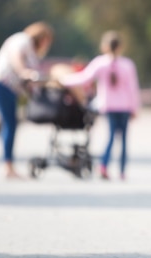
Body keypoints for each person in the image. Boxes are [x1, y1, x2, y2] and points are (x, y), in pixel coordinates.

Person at [59, 30, 140, 181]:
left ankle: (104, 166)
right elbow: (133, 89)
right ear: (120, 47)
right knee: (123, 140)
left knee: (110, 137)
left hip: (108, 106)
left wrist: (64, 80)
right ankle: (122, 172)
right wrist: (135, 108)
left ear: (105, 47)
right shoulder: (127, 65)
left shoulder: (100, 63)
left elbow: (84, 78)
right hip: (124, 107)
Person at [0, 21, 54, 180]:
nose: (46, 45)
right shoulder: (22, 40)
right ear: (41, 36)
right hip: (2, 85)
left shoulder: (31, 50)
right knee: (10, 124)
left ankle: (7, 164)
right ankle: (7, 166)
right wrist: (24, 72)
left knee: (9, 124)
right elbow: (16, 58)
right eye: (46, 40)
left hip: (7, 88)